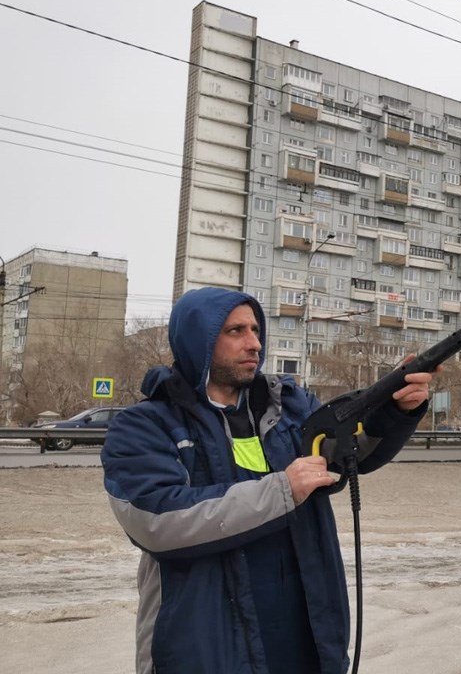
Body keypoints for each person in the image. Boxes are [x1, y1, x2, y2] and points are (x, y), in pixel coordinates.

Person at [102, 287, 434, 674]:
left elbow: (344, 457)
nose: (254, 343)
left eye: (256, 330)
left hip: (306, 638)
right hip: (208, 644)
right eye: (236, 331)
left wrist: (395, 411)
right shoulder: (147, 424)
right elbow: (156, 521)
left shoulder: (291, 406)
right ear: (199, 339)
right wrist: (282, 490)